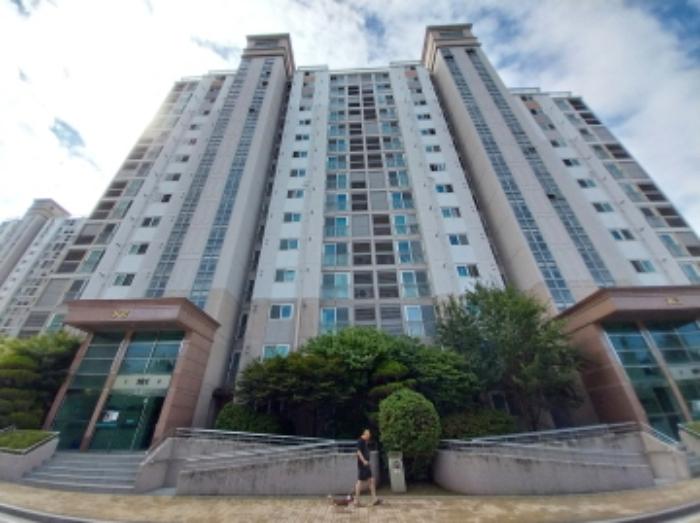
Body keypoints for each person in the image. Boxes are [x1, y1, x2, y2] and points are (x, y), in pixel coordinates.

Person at [354, 428, 380, 507]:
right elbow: (358, 452)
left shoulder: (365, 441)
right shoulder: (360, 441)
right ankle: (356, 500)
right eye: (368, 435)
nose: (369, 437)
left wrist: (367, 462)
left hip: (366, 465)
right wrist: (364, 461)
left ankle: (374, 498)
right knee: (360, 482)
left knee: (371, 480)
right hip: (363, 465)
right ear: (365, 434)